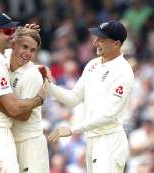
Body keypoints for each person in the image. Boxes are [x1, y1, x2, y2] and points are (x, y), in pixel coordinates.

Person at [43, 20, 134, 173]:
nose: (96, 42)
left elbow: (108, 115)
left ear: (117, 44)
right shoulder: (93, 64)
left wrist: (73, 129)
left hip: (109, 141)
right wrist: (46, 85)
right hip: (92, 140)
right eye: (96, 37)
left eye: (102, 39)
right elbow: (73, 98)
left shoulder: (123, 71)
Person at [0, 13, 46, 173]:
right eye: (6, 31)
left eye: (12, 31)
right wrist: (39, 99)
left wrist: (24, 35)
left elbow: (16, 51)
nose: (11, 35)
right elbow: (14, 108)